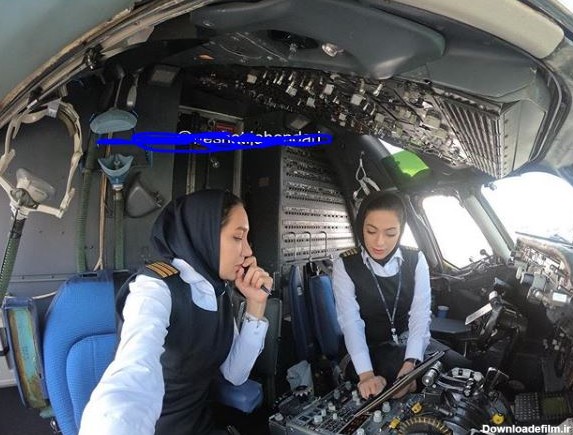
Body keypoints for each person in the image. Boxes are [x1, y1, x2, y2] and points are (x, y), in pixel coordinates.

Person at [79, 190, 273, 435]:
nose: (247, 252)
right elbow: (134, 371)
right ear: (204, 234)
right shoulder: (155, 287)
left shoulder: (218, 291)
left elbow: (235, 374)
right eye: (237, 237)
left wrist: (256, 304)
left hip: (202, 425)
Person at [333, 191, 432, 400]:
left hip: (403, 342)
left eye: (390, 233)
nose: (379, 242)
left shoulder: (416, 259)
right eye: (371, 231)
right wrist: (366, 375)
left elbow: (420, 315)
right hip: (363, 350)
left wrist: (411, 363)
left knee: (449, 365)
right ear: (361, 227)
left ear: (401, 231)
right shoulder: (346, 265)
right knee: (405, 375)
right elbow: (351, 322)